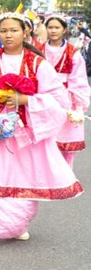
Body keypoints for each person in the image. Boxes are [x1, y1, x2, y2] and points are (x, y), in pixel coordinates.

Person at [0, 12, 81, 250]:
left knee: (24, 175)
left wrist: (24, 100)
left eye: (13, 30)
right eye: (3, 31)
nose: (8, 35)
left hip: (26, 131)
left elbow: (58, 100)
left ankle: (17, 224)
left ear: (25, 32)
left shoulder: (38, 63)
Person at [39, 14, 90, 166]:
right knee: (44, 146)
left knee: (66, 147)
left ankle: (67, 179)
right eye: (50, 27)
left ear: (64, 30)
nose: (53, 31)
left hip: (67, 99)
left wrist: (75, 102)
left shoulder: (73, 52)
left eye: (57, 27)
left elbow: (79, 79)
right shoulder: (38, 50)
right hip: (43, 98)